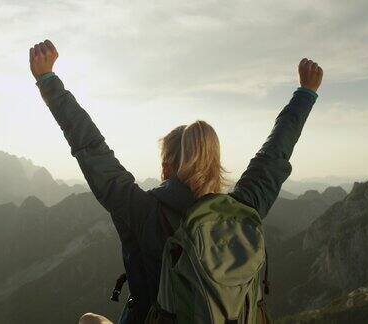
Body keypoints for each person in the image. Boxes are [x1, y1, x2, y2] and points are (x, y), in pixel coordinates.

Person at [29, 40, 323, 324]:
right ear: (214, 160)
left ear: (167, 165)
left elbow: (92, 149)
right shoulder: (245, 208)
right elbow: (274, 154)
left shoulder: (144, 211)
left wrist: (47, 80)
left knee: (89, 321)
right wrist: (306, 93)